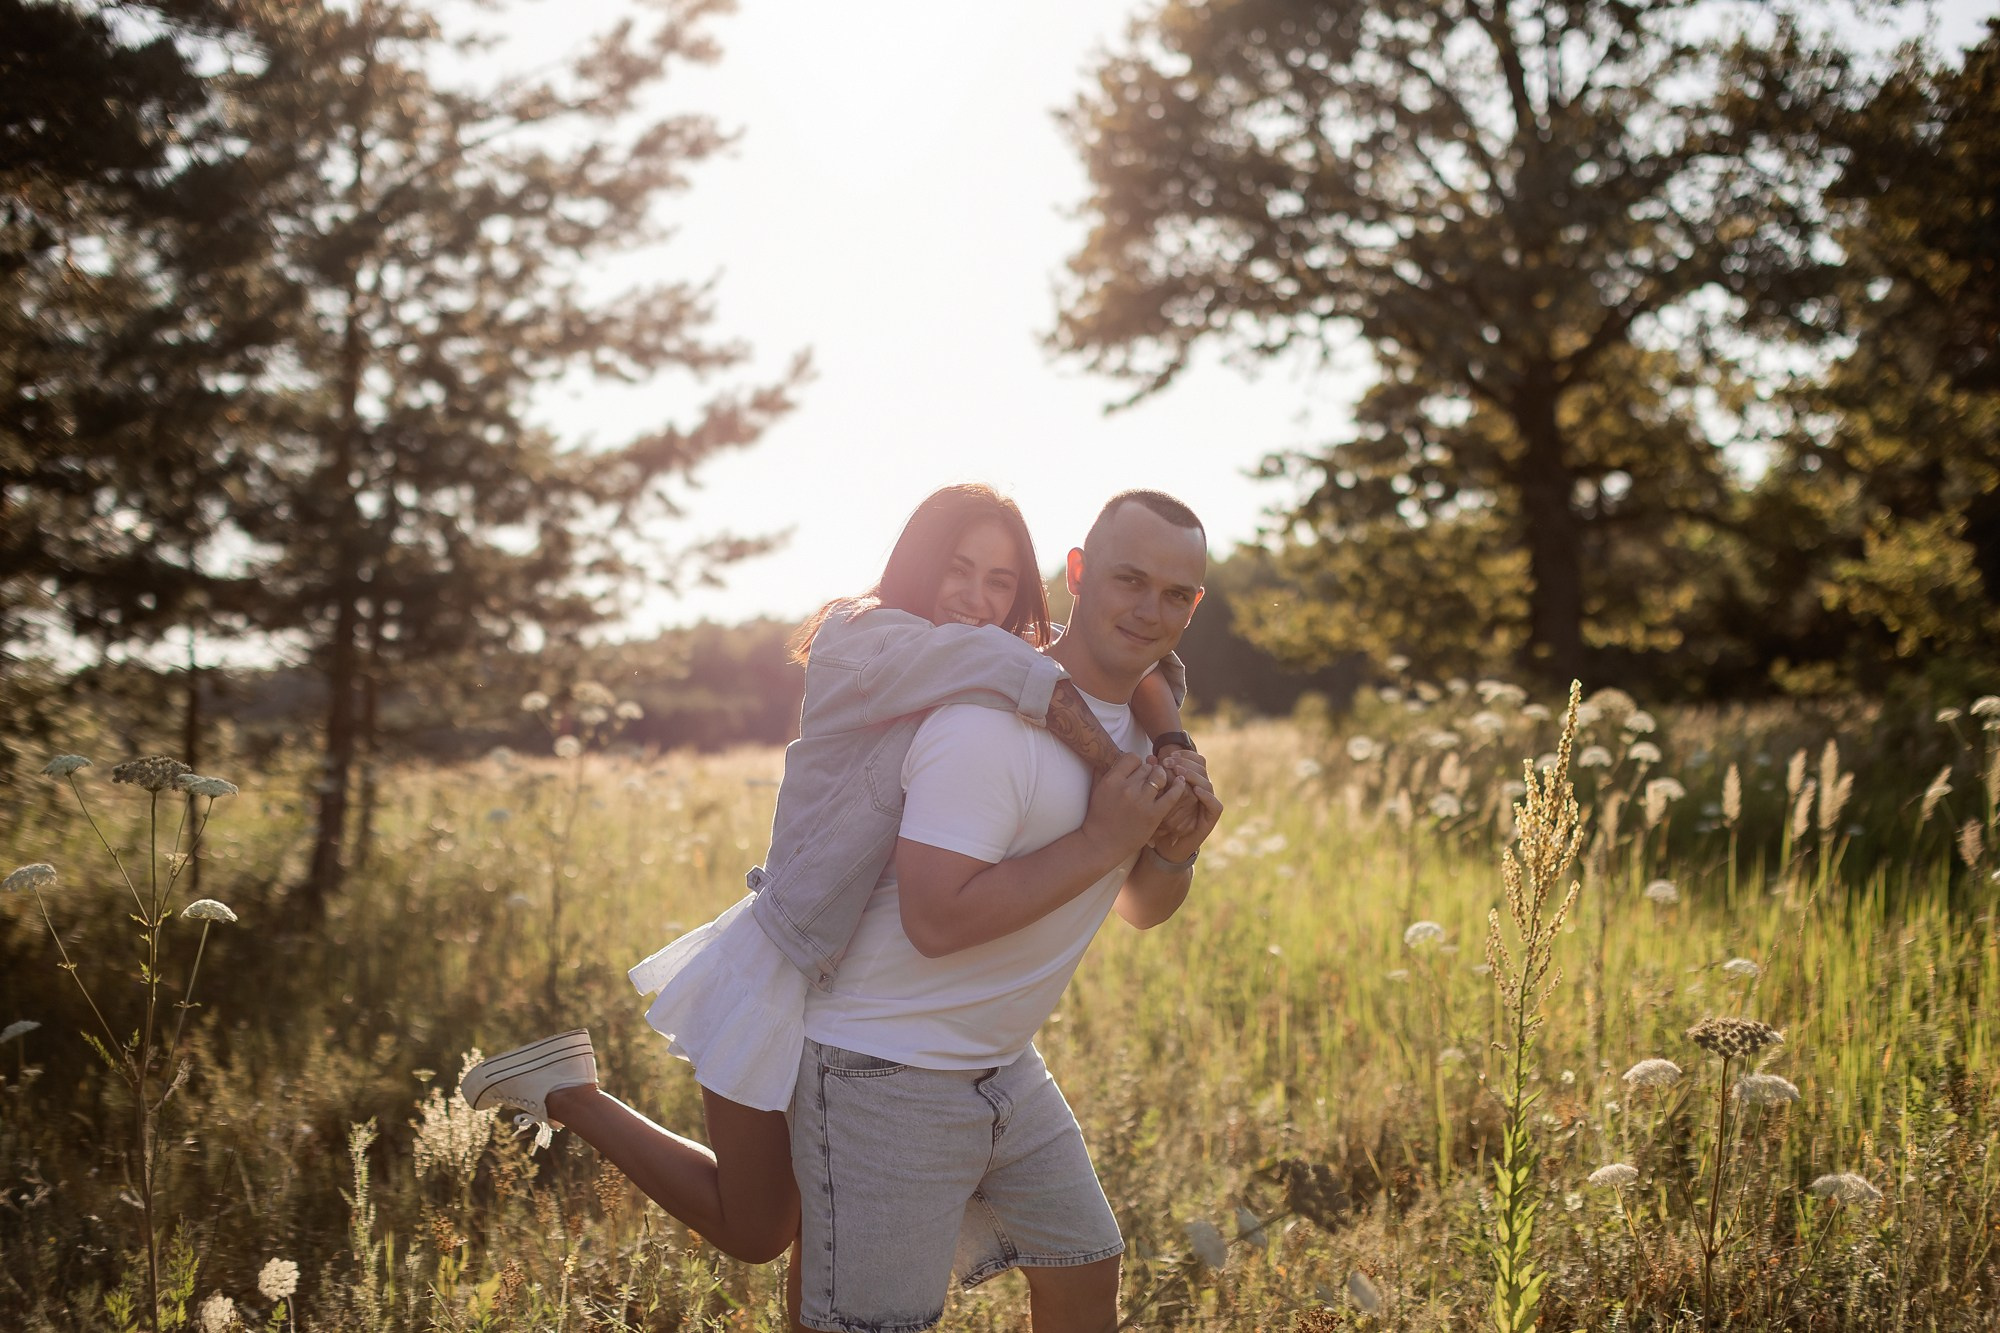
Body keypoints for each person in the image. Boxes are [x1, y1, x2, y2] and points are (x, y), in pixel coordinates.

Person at [460, 484, 1197, 1270]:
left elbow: (1149, 664)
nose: (977, 600)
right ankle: (570, 1093)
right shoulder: (866, 639)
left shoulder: (989, 655)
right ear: (917, 563)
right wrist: (1123, 777)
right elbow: (1042, 668)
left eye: (1001, 581)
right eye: (958, 569)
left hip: (854, 980)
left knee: (802, 1227)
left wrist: (1176, 738)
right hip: (786, 962)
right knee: (758, 1230)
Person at [786, 489, 1222, 1333]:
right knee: (872, 1324)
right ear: (1078, 573)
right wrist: (1105, 838)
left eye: (1176, 593)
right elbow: (935, 919)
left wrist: (1175, 845)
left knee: (1084, 1268)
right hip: (882, 1067)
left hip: (1000, 1063)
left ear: (1195, 604)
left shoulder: (1146, 723)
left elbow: (1141, 905)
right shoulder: (985, 720)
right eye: (1129, 579)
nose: (1149, 609)